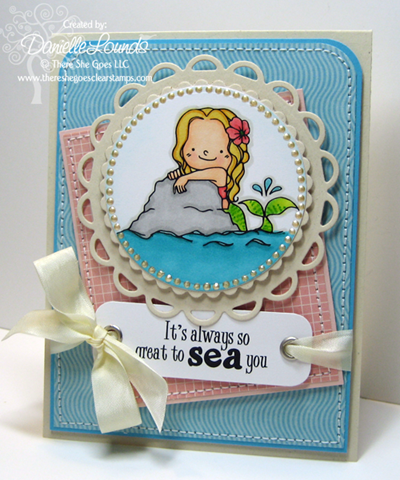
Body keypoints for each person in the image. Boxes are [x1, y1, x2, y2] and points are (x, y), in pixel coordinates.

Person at [168, 107, 250, 210]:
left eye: (220, 150)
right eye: (193, 148)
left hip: (217, 214)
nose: (206, 152)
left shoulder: (220, 173)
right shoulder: (195, 173)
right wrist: (178, 174)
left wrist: (185, 177)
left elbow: (216, 172)